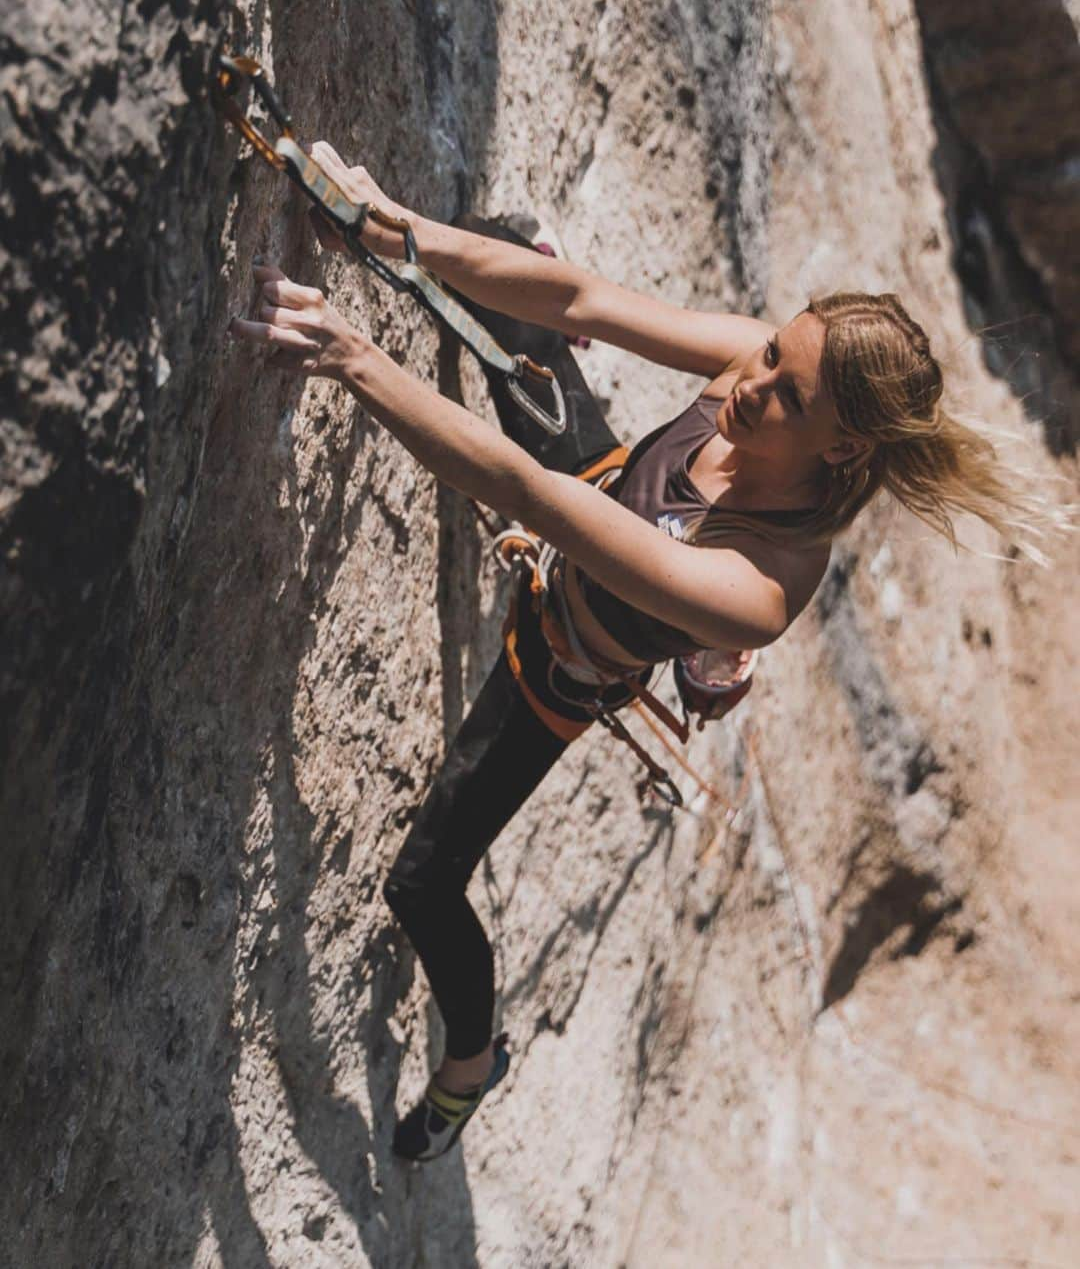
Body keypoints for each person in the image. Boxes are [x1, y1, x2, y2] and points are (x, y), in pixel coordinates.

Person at [229, 141, 1057, 1162]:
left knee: (424, 883)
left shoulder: (763, 585)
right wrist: (382, 225)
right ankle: (695, 657)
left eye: (786, 396)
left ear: (840, 449)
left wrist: (350, 355)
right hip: (608, 490)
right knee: (502, 260)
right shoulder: (761, 374)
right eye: (767, 357)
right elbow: (585, 297)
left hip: (566, 655)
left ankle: (472, 1063)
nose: (750, 384)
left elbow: (534, 498)